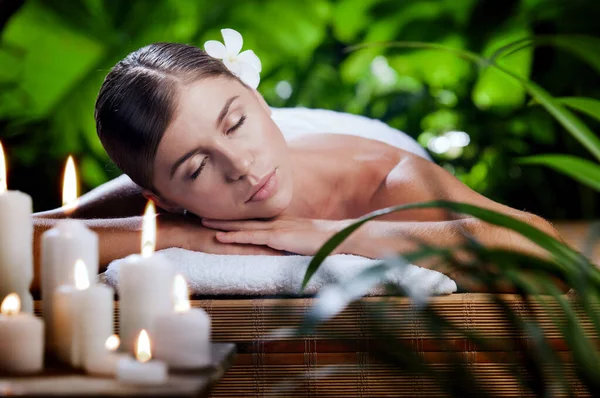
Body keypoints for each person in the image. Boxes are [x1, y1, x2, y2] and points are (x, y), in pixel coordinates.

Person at [33, 40, 563, 293]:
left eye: (236, 121)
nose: (240, 166)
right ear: (162, 196)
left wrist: (330, 234)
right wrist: (180, 236)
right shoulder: (164, 199)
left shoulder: (390, 177)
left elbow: (544, 248)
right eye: (197, 170)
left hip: (338, 141)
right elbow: (21, 237)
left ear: (260, 102)